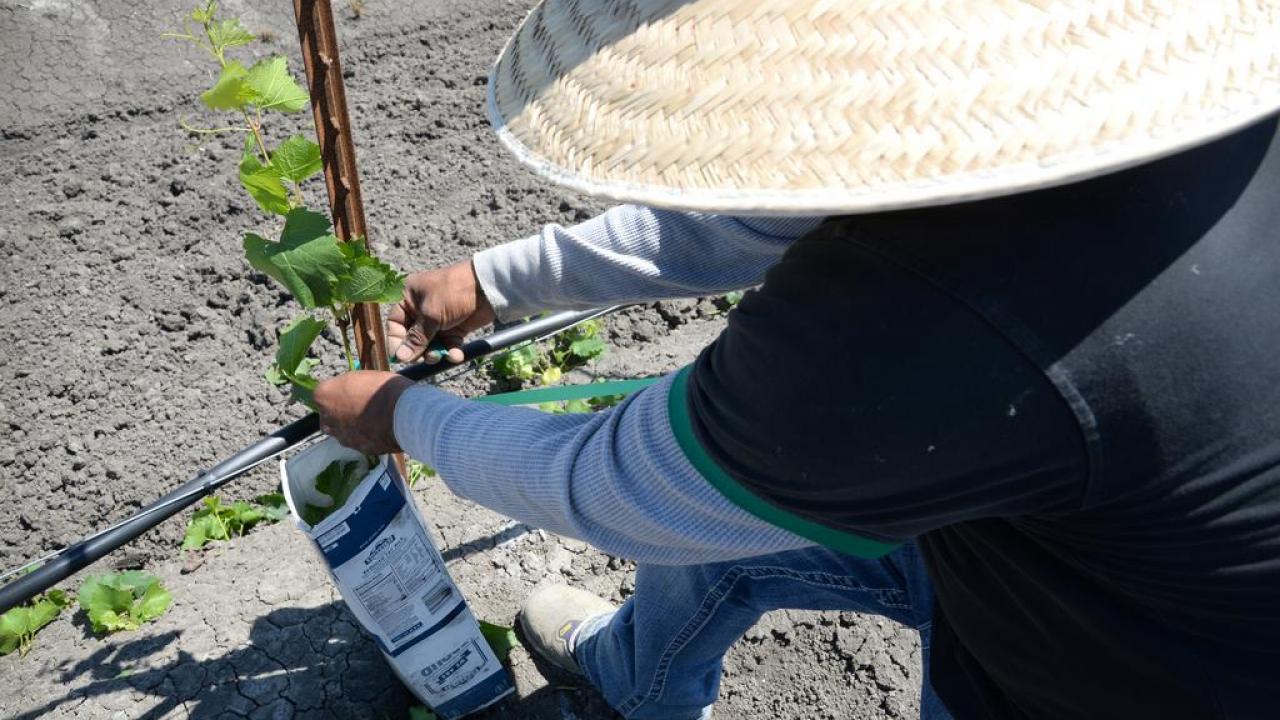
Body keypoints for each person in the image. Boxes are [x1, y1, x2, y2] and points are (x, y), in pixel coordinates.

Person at [314, 2, 1280, 718]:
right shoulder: (1192, 106)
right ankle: (635, 680)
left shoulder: (906, 326)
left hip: (1118, 675)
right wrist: (498, 279)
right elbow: (776, 203)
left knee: (707, 504)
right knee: (722, 529)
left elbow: (614, 486)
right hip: (1121, 530)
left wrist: (398, 413)